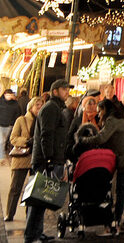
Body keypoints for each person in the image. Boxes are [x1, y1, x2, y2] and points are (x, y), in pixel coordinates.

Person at [75, 98, 124, 233]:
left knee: (122, 191)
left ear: (105, 110)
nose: (99, 114)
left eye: (100, 111)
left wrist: (83, 140)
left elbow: (101, 138)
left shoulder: (112, 120)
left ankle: (115, 224)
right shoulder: (123, 119)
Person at [25, 79, 71, 243]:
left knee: (43, 199)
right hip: (45, 160)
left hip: (51, 159)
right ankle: (31, 236)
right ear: (55, 91)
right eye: (64, 89)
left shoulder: (57, 108)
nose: (67, 92)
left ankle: (37, 233)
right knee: (38, 200)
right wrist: (49, 159)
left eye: (67, 89)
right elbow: (47, 135)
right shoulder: (51, 108)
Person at [6, 96, 42, 221]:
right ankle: (9, 214)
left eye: (41, 105)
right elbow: (13, 138)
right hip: (21, 159)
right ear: (31, 106)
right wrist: (27, 141)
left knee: (31, 190)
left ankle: (29, 217)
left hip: (35, 159)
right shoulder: (21, 120)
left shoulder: (42, 122)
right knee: (15, 188)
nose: (40, 107)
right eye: (37, 105)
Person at [0, 89, 20, 161]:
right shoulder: (1, 101)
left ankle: (2, 155)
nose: (9, 96)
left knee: (4, 140)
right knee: (2, 141)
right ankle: (1, 157)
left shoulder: (15, 104)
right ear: (4, 94)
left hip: (9, 125)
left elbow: (18, 113)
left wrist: (13, 123)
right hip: (1, 124)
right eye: (8, 95)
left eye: (10, 95)